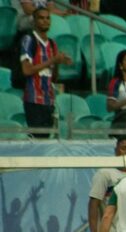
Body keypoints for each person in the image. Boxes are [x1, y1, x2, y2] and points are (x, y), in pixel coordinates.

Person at [20, 7, 72, 137]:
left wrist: (59, 62)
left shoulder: (53, 44)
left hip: (48, 100)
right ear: (34, 21)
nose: (45, 21)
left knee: (45, 140)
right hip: (33, 100)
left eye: (48, 18)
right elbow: (26, 70)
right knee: (37, 139)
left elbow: (54, 77)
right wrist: (53, 60)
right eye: (41, 18)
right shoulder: (29, 40)